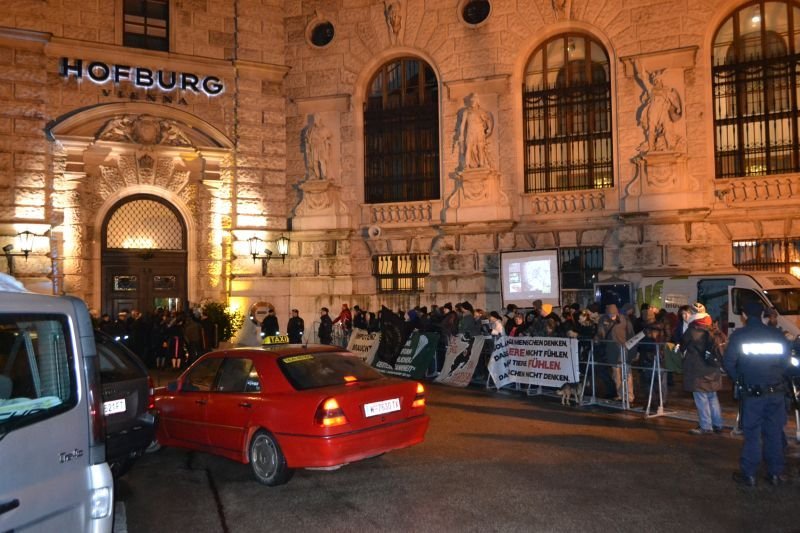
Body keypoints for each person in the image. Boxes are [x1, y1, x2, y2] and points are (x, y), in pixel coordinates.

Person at [723, 301, 791, 487]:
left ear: (744, 315)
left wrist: (740, 380)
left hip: (752, 393)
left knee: (752, 434)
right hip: (776, 392)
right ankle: (775, 473)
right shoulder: (776, 334)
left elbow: (728, 363)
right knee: (774, 433)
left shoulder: (740, 336)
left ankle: (749, 475)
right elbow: (786, 362)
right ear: (762, 314)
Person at [679, 303, 724, 435]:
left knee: (701, 398)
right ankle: (718, 424)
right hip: (712, 369)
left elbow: (682, 347)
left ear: (693, 314)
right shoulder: (713, 327)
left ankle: (706, 426)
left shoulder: (692, 330)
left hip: (697, 370)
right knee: (712, 397)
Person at [595, 303, 636, 403]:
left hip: (625, 351)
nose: (612, 316)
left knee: (627, 374)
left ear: (617, 313)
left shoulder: (624, 319)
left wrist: (632, 350)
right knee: (616, 375)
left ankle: (629, 396)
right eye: (610, 314)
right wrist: (597, 338)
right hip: (612, 351)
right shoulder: (603, 320)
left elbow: (631, 334)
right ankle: (620, 394)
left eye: (613, 314)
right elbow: (601, 334)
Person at [454, 93, 494, 169]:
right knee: (468, 147)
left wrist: (489, 129)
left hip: (479, 131)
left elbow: (487, 120)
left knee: (480, 147)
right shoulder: (466, 112)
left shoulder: (481, 111)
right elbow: (462, 124)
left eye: (474, 100)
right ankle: (467, 165)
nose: (472, 102)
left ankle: (481, 164)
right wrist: (461, 135)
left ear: (477, 101)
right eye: (471, 100)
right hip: (470, 131)